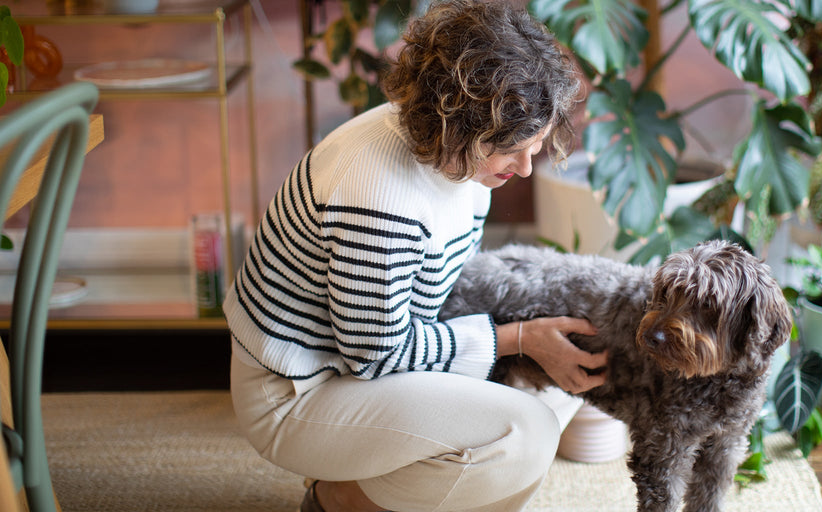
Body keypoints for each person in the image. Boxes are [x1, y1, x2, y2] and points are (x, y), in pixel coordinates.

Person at [225, 1, 609, 510]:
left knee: (552, 388)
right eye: (511, 148)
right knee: (526, 432)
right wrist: (515, 339)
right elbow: (375, 358)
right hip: (299, 390)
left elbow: (434, 298)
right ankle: (340, 499)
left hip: (361, 360)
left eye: (535, 145)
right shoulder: (380, 197)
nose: (524, 168)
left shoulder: (456, 155)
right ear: (460, 124)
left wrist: (527, 344)